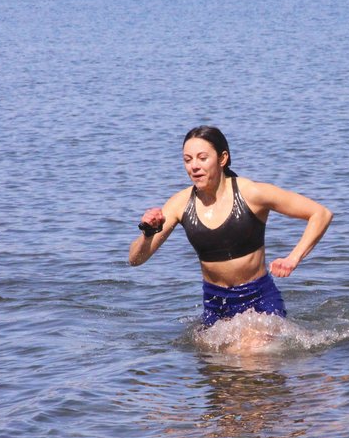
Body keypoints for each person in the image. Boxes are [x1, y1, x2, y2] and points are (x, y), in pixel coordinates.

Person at [129, 125, 333, 327]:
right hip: (215, 304)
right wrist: (148, 232)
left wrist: (293, 259)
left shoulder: (251, 193)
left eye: (202, 158)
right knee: (214, 359)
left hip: (258, 300)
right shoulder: (180, 203)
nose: (194, 166)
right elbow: (135, 259)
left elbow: (320, 214)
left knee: (250, 352)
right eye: (187, 160)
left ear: (222, 158)